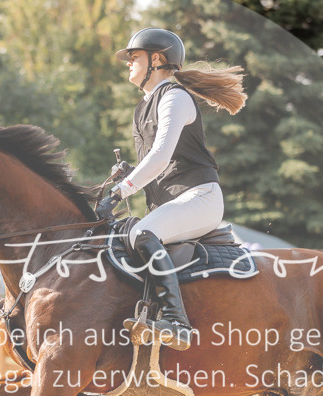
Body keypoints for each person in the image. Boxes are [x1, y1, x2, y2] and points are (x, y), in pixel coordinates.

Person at [95, 27, 247, 350]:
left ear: (157, 60)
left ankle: (177, 322)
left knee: (141, 234)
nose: (128, 63)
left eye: (133, 57)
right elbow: (155, 160)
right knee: (126, 235)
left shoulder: (175, 98)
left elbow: (161, 158)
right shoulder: (142, 109)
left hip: (201, 198)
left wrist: (121, 190)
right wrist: (129, 173)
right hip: (178, 202)